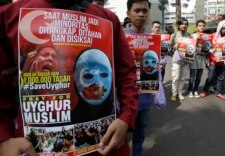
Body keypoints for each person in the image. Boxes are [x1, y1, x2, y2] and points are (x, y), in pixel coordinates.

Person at [0, 1, 138, 156]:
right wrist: (3, 138)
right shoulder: (9, 17)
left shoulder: (108, 20)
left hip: (106, 145)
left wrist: (126, 117)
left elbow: (126, 73)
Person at [124, 0, 152, 156]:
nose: (141, 14)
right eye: (137, 10)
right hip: (125, 97)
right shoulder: (120, 36)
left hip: (146, 95)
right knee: (122, 134)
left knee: (140, 132)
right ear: (128, 13)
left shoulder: (152, 39)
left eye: (145, 10)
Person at [200, 20, 225, 100]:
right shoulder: (213, 36)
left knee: (221, 77)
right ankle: (205, 90)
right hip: (213, 62)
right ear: (220, 28)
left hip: (224, 62)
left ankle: (218, 92)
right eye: (223, 28)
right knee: (210, 77)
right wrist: (211, 52)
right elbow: (207, 47)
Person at [170, 17, 191, 101]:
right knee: (175, 77)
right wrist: (174, 46)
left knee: (182, 78)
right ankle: (174, 93)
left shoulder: (189, 35)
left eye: (186, 24)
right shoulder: (174, 35)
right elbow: (171, 46)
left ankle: (180, 93)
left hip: (186, 60)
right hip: (177, 60)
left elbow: (192, 46)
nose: (184, 26)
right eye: (182, 24)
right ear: (178, 25)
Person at [188, 19, 208, 98]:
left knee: (199, 77)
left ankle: (195, 90)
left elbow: (209, 47)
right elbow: (189, 46)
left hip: (202, 59)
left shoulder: (207, 36)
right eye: (200, 26)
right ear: (196, 27)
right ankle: (190, 90)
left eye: (203, 26)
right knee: (192, 77)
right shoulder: (192, 36)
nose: (201, 27)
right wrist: (196, 40)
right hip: (193, 59)